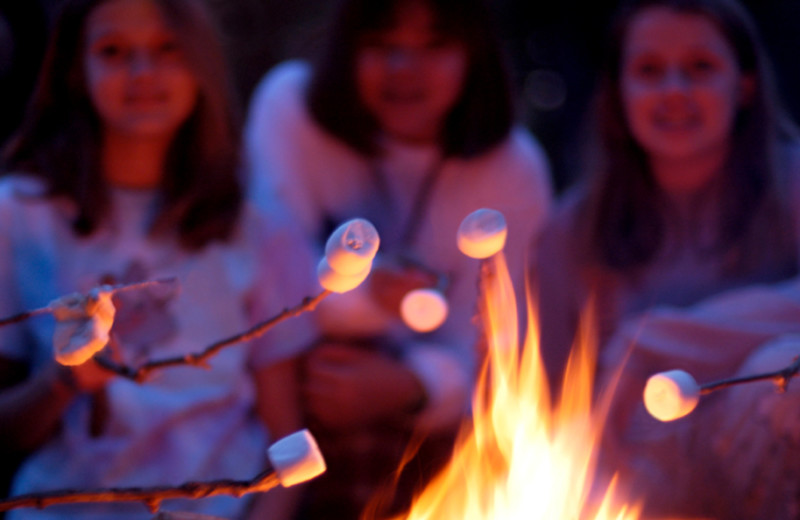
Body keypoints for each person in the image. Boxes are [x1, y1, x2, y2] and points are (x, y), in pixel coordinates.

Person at [0, 0, 318, 518]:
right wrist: (64, 382)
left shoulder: (258, 225)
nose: (142, 73)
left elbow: (288, 440)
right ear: (76, 69)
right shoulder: (20, 215)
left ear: (201, 61)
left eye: (167, 49)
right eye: (113, 51)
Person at [243, 0, 553, 516]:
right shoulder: (291, 112)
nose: (403, 70)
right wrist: (366, 295)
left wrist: (412, 385)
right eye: (382, 45)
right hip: (286, 393)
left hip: (425, 431)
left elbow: (498, 356)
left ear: (473, 53)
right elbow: (265, 279)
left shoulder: (513, 172)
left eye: (433, 46)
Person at [532, 0, 800, 394]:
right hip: (630, 450)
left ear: (745, 85)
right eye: (649, 70)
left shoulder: (791, 184)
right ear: (618, 92)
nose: (674, 90)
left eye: (700, 67)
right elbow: (544, 395)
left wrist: (650, 339)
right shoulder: (572, 229)